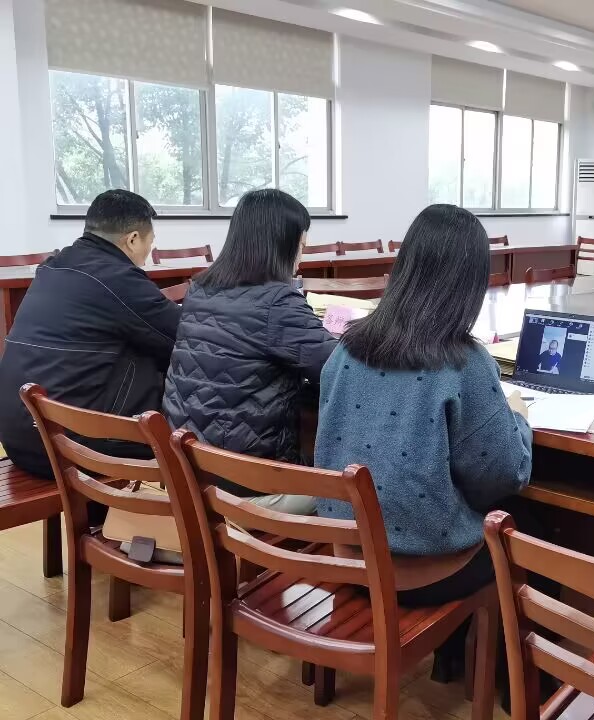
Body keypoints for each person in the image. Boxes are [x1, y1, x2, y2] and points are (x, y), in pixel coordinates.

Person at [314, 204, 533, 606]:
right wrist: (519, 420)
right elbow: (504, 476)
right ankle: (504, 649)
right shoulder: (465, 363)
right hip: (424, 571)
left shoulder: (345, 348)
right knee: (535, 532)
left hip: (347, 554)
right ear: (471, 284)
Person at [163, 189, 337, 514]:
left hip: (190, 473)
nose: (303, 254)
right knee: (360, 490)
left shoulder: (200, 290)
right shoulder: (276, 302)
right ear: (282, 244)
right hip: (247, 487)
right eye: (301, 244)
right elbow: (338, 368)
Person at [0, 189, 181, 478]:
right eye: (150, 241)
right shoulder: (117, 277)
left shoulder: (54, 265)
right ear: (133, 239)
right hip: (69, 448)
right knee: (189, 381)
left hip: (20, 438)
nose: (149, 252)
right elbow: (182, 337)